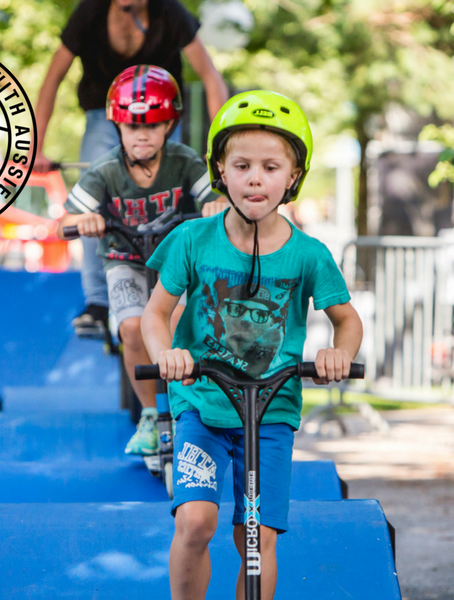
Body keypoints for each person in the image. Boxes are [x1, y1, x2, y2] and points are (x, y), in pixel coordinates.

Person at [140, 91, 364, 599]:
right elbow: (155, 313)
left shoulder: (309, 255)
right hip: (202, 401)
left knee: (256, 538)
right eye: (241, 165)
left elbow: (347, 321)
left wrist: (339, 353)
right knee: (196, 522)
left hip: (271, 410)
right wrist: (166, 355)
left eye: (270, 166)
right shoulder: (193, 240)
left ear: (293, 177)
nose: (255, 178)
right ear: (221, 170)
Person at [33, 0, 229, 338]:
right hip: (105, 114)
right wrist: (35, 147)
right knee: (96, 186)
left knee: (181, 188)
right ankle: (98, 303)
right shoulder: (90, 13)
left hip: (160, 115)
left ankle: (183, 282)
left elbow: (211, 78)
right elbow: (52, 79)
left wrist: (222, 148)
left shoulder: (169, 13)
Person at [59, 65, 228, 456]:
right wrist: (83, 221)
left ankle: (191, 407)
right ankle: (150, 415)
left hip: (173, 260)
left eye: (152, 126)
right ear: (117, 125)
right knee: (133, 328)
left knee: (179, 323)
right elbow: (64, 221)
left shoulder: (185, 162)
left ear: (170, 125)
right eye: (132, 126)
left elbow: (213, 198)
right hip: (125, 258)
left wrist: (216, 204)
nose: (141, 135)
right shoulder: (105, 170)